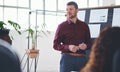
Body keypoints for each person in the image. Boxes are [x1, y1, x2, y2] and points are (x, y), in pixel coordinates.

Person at [53, 1, 91, 72]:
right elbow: (55, 45)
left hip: (81, 59)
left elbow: (89, 43)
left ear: (77, 10)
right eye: (67, 9)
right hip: (67, 59)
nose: (68, 11)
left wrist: (85, 46)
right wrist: (68, 47)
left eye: (71, 9)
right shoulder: (61, 26)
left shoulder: (84, 26)